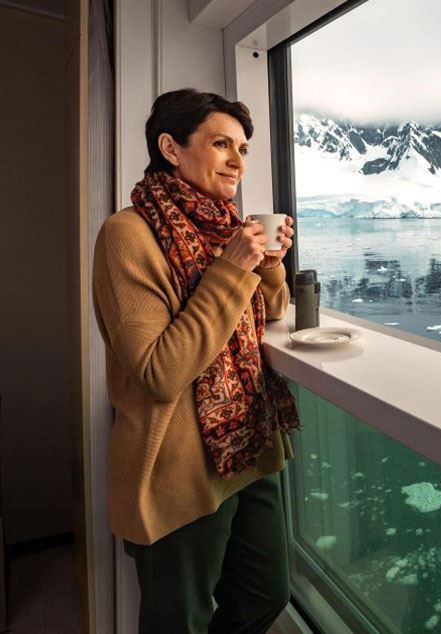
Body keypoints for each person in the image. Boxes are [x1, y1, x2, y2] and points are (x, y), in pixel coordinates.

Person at [92, 88, 301, 633]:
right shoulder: (126, 236)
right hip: (179, 470)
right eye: (221, 144)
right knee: (178, 622)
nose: (238, 162)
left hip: (249, 447)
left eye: (243, 149)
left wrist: (268, 263)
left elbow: (271, 309)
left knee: (265, 597)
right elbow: (159, 373)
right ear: (171, 148)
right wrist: (233, 269)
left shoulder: (224, 227)